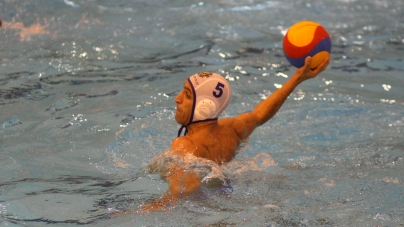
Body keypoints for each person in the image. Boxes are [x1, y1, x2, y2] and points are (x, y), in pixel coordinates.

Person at [118, 56, 329, 215]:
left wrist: (137, 211)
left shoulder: (184, 145)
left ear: (204, 106)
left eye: (187, 95)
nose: (177, 99)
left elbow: (183, 192)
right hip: (232, 189)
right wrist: (297, 78)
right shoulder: (233, 129)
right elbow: (260, 113)